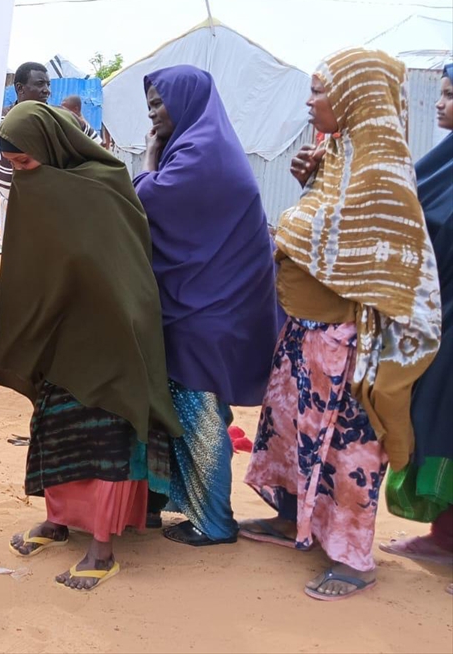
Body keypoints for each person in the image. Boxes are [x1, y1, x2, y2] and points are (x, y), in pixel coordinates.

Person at [239, 48, 441, 601]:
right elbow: (327, 235)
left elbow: (362, 259)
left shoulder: (381, 174)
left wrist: (291, 227)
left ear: (356, 96)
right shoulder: (339, 157)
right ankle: (290, 519)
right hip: (307, 334)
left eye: (320, 90)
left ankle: (353, 560)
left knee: (347, 454)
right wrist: (311, 184)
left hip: (346, 344)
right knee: (290, 435)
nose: (310, 101)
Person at [0, 101, 182, 591]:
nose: (21, 174)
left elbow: (116, 267)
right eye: (12, 165)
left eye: (25, 162)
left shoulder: (101, 185)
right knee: (56, 430)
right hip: (61, 336)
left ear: (51, 146)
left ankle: (102, 548)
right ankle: (57, 520)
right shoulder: (37, 190)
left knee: (105, 438)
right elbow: (33, 273)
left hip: (110, 337)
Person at [135, 65, 279, 546]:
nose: (153, 113)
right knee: (197, 409)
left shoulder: (200, 154)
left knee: (199, 412)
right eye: (150, 105)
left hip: (207, 311)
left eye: (159, 103)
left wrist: (150, 158)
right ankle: (199, 508)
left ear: (187, 102)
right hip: (208, 305)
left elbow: (145, 200)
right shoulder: (204, 147)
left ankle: (216, 522)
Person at [378, 63, 453, 594]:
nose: (439, 103)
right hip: (438, 312)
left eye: (449, 95)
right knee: (435, 418)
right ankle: (444, 535)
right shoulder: (442, 160)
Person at [0, 62, 50, 237]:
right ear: (20, 88)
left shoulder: (54, 120)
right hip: (7, 193)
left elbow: (94, 142)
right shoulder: (0, 118)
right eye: (40, 84)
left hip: (43, 195)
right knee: (11, 244)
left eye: (48, 84)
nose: (47, 90)